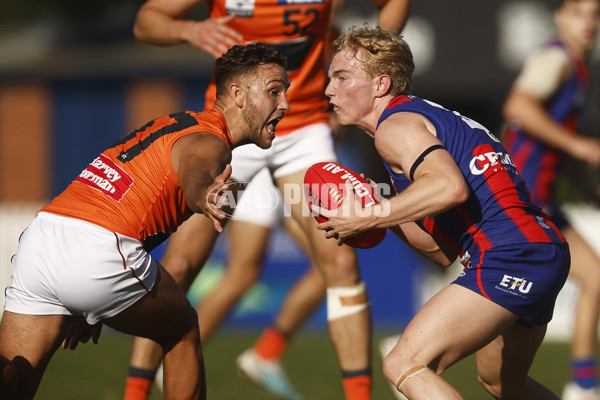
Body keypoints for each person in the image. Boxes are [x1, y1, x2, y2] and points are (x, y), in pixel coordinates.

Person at [124, 1, 410, 400]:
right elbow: (145, 23)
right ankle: (134, 393)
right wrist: (190, 31)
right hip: (233, 126)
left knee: (341, 264)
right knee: (181, 263)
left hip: (303, 125)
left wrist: (373, 61)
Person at [0, 43, 290, 400]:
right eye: (274, 91)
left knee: (13, 383)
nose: (285, 104)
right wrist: (204, 195)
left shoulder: (176, 121)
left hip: (41, 240)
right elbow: (197, 168)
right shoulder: (210, 141)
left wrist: (76, 296)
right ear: (237, 94)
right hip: (97, 248)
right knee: (182, 330)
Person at [316, 25, 571, 399]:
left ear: (381, 84)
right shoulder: (419, 121)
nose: (328, 90)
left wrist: (370, 216)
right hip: (540, 248)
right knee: (501, 382)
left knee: (403, 363)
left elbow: (449, 187)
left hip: (510, 255)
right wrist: (381, 209)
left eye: (341, 77)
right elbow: (441, 250)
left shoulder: (395, 128)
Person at [501, 0, 600, 398]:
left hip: (543, 201)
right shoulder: (555, 59)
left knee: (594, 278)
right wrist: (579, 146)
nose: (588, 23)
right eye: (579, 13)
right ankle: (418, 356)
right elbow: (518, 106)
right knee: (506, 306)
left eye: (595, 15)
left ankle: (584, 383)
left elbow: (553, 144)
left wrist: (586, 186)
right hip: (522, 201)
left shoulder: (577, 67)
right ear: (560, 16)